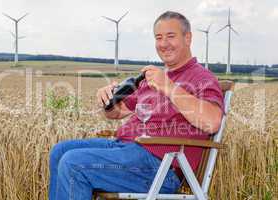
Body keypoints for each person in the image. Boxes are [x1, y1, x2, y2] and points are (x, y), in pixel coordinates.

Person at [49, 11, 224, 200]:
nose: (164, 44)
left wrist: (169, 87)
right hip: (126, 149)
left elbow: (212, 121)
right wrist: (107, 100)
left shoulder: (202, 78)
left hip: (160, 166)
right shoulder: (151, 79)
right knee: (59, 152)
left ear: (187, 38)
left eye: (170, 36)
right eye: (159, 38)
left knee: (73, 164)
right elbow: (117, 113)